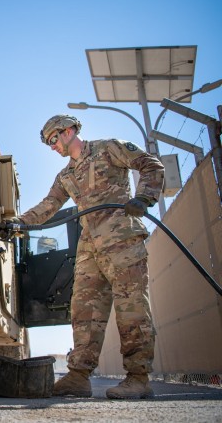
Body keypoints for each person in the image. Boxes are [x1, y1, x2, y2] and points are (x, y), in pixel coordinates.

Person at [12, 114, 164, 399]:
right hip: (89, 249)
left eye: (54, 139)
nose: (52, 146)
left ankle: (138, 378)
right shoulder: (66, 175)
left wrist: (144, 198)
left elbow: (150, 165)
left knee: (131, 309)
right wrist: (18, 222)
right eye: (48, 144)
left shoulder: (109, 148)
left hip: (122, 239)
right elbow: (49, 205)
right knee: (84, 313)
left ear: (69, 131)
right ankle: (78, 377)